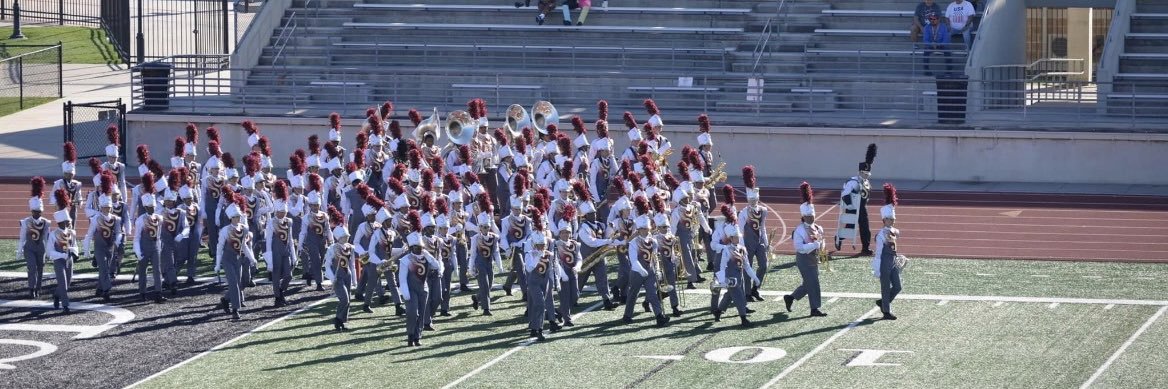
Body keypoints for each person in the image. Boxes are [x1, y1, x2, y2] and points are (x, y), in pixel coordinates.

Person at [784, 182, 828, 317]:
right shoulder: (799, 230)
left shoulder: (818, 228)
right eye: (808, 216)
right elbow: (799, 248)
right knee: (814, 283)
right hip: (804, 259)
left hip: (814, 259)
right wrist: (814, 245)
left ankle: (791, 297)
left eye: (812, 215)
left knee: (809, 283)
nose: (811, 218)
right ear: (803, 216)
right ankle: (815, 309)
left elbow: (822, 241)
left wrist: (822, 248)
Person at [621, 212, 670, 327]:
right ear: (639, 230)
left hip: (650, 271)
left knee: (653, 294)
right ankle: (627, 315)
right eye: (643, 229)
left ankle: (659, 316)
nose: (646, 231)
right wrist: (641, 269)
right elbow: (633, 260)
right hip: (637, 272)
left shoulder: (653, 241)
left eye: (647, 228)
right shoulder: (634, 242)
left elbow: (655, 257)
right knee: (633, 293)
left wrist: (657, 269)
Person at [216, 194, 254, 320]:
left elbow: (243, 246)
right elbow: (220, 247)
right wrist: (217, 264)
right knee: (233, 283)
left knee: (238, 283)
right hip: (227, 260)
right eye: (235, 217)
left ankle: (225, 299)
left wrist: (252, 258)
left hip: (238, 259)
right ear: (230, 218)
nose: (237, 218)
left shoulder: (244, 229)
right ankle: (235, 309)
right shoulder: (225, 230)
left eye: (238, 216)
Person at [836, 144, 877, 256]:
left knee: (865, 228)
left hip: (862, 207)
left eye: (867, 174)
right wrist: (850, 206)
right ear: (860, 172)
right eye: (864, 173)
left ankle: (865, 248)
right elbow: (845, 194)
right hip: (853, 207)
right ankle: (839, 238)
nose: (866, 176)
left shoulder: (867, 182)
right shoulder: (853, 182)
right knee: (850, 227)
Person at [132, 173, 166, 303]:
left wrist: (159, 245)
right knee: (143, 271)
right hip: (144, 247)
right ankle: (142, 292)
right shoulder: (140, 220)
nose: (152, 209)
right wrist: (138, 252)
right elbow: (136, 238)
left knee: (157, 270)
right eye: (150, 207)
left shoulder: (159, 218)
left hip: (155, 247)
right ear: (145, 207)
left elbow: (160, 233)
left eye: (153, 207)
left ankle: (158, 293)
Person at [738, 166, 768, 302]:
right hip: (747, 243)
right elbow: (739, 230)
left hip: (759, 241)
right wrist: (742, 246)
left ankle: (756, 288)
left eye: (755, 200)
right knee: (747, 268)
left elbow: (762, 227)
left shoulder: (763, 210)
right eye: (751, 200)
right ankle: (747, 293)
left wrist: (766, 243)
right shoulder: (743, 212)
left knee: (764, 265)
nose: (753, 202)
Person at [524, 232, 562, 341]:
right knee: (539, 304)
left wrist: (558, 281)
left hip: (545, 282)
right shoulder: (529, 254)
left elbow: (555, 267)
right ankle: (539, 330)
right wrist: (538, 257)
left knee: (542, 304)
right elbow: (529, 268)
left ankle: (534, 328)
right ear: (534, 245)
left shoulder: (550, 254)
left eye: (543, 245)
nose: (542, 247)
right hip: (534, 282)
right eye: (539, 245)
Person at [874, 183, 903, 320]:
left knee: (897, 286)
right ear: (884, 220)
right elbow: (878, 252)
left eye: (893, 219)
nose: (892, 221)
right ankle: (886, 311)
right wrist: (877, 267)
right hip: (883, 262)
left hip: (892, 261)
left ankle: (883, 303)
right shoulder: (881, 234)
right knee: (885, 288)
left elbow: (897, 233)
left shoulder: (893, 231)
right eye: (889, 219)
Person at [46, 189, 79, 313]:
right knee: (63, 284)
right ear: (61, 222)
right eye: (67, 221)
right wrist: (61, 255)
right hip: (59, 261)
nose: (69, 223)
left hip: (69, 261)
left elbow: (75, 246)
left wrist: (73, 252)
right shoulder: (53, 234)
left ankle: (56, 295)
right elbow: (49, 252)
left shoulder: (72, 233)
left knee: (67, 284)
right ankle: (65, 306)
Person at [20, 177, 52, 299]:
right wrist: (19, 250)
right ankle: (31, 289)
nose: (37, 213)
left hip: (41, 249)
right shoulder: (26, 222)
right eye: (35, 211)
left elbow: (47, 237)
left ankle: (38, 288)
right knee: (32, 268)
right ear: (31, 211)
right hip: (29, 248)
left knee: (40, 269)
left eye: (39, 211)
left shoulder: (46, 222)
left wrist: (48, 251)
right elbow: (22, 236)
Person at [325, 225, 355, 331]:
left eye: (347, 236)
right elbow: (327, 265)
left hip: (347, 275)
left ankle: (342, 321)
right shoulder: (332, 248)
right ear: (339, 237)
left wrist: (354, 279)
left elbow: (352, 264)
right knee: (344, 299)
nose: (346, 238)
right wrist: (332, 278)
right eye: (344, 236)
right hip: (338, 276)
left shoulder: (350, 247)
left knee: (348, 300)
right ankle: (338, 319)